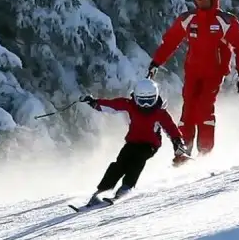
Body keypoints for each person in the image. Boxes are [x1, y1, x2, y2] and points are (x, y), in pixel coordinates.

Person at [147, 0, 239, 163]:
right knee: (188, 111)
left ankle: (205, 152)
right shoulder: (189, 19)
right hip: (193, 72)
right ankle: (183, 151)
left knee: (204, 108)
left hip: (214, 73)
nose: (201, 1)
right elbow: (170, 42)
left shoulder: (225, 21)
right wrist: (156, 62)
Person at [78, 78, 189, 207]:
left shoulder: (160, 113)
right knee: (120, 162)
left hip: (150, 145)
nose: (145, 106)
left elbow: (171, 128)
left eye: (149, 101)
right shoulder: (130, 105)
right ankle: (104, 189)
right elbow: (111, 105)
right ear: (135, 98)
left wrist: (178, 142)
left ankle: (127, 186)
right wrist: (93, 102)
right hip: (132, 142)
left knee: (137, 160)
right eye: (142, 101)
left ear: (156, 97)